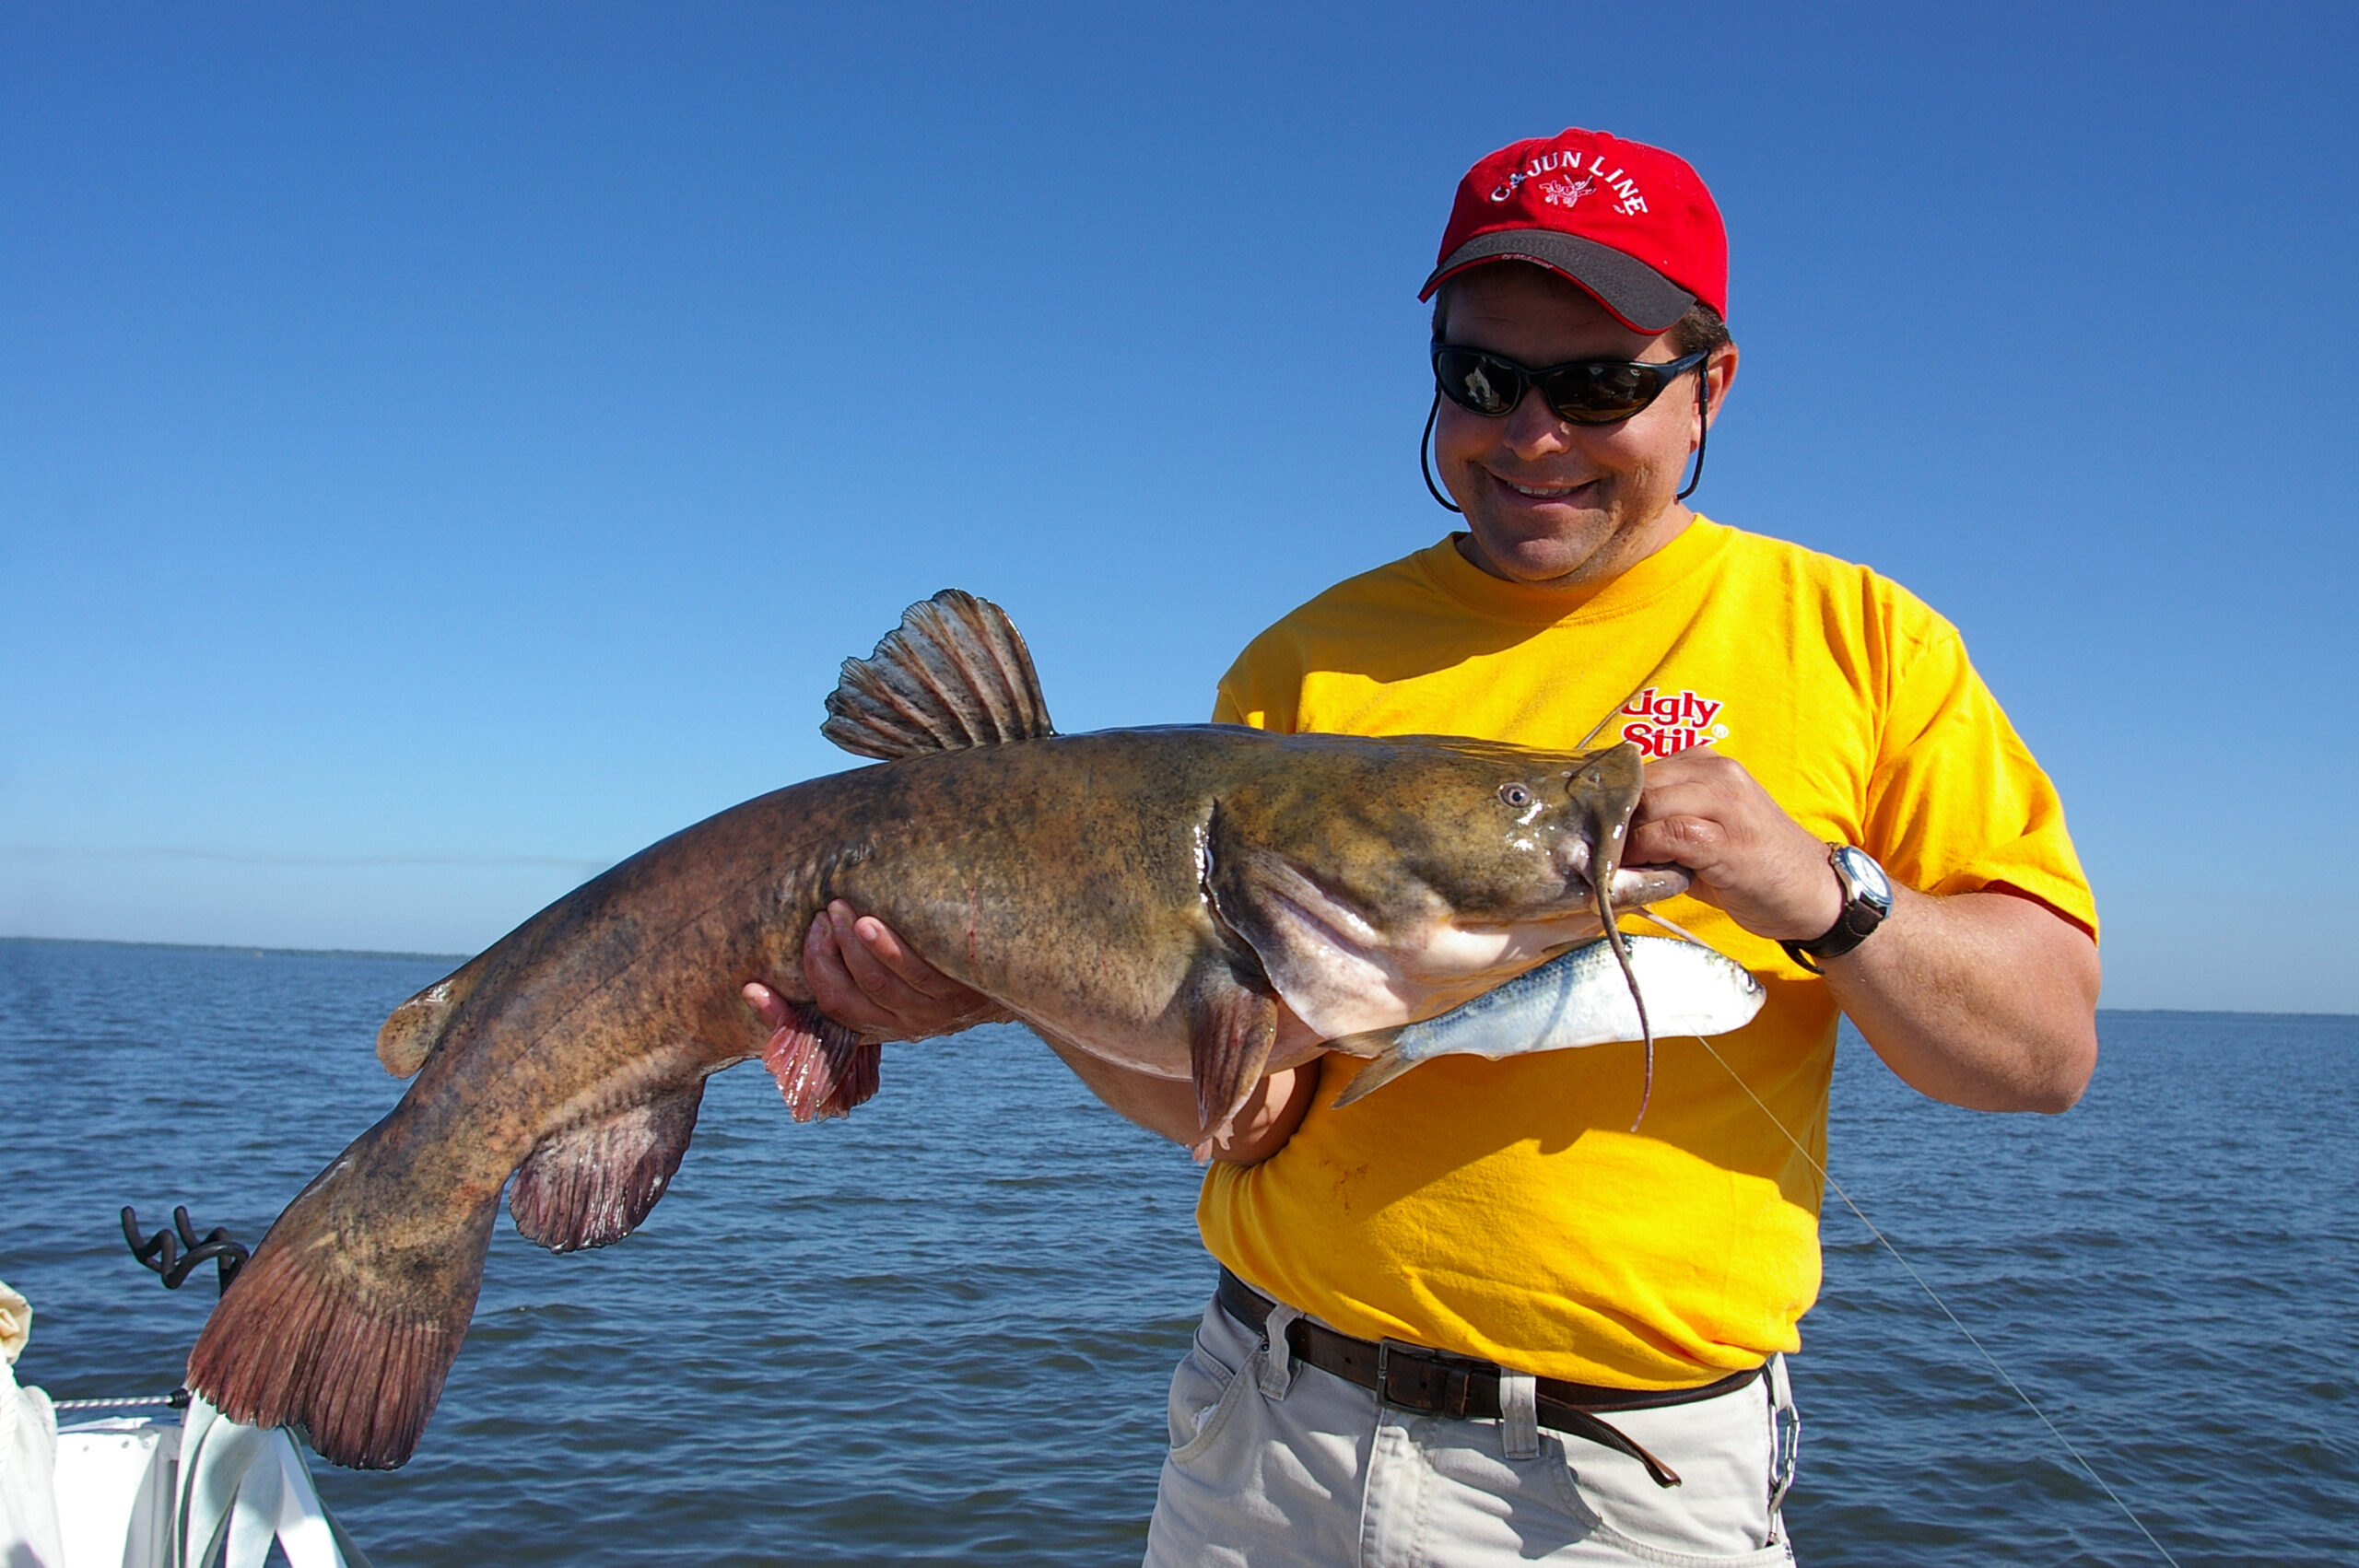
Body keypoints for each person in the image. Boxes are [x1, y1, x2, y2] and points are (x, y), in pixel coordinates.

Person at [749, 128, 2099, 1564]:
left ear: (1709, 389)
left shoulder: (1862, 644)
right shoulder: (1309, 664)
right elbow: (1249, 1114)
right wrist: (1001, 974)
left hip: (1621, 1489)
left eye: (1598, 387)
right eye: (1484, 379)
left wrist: (1827, 894)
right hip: (1263, 1435)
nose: (1533, 435)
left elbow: (2042, 1053)